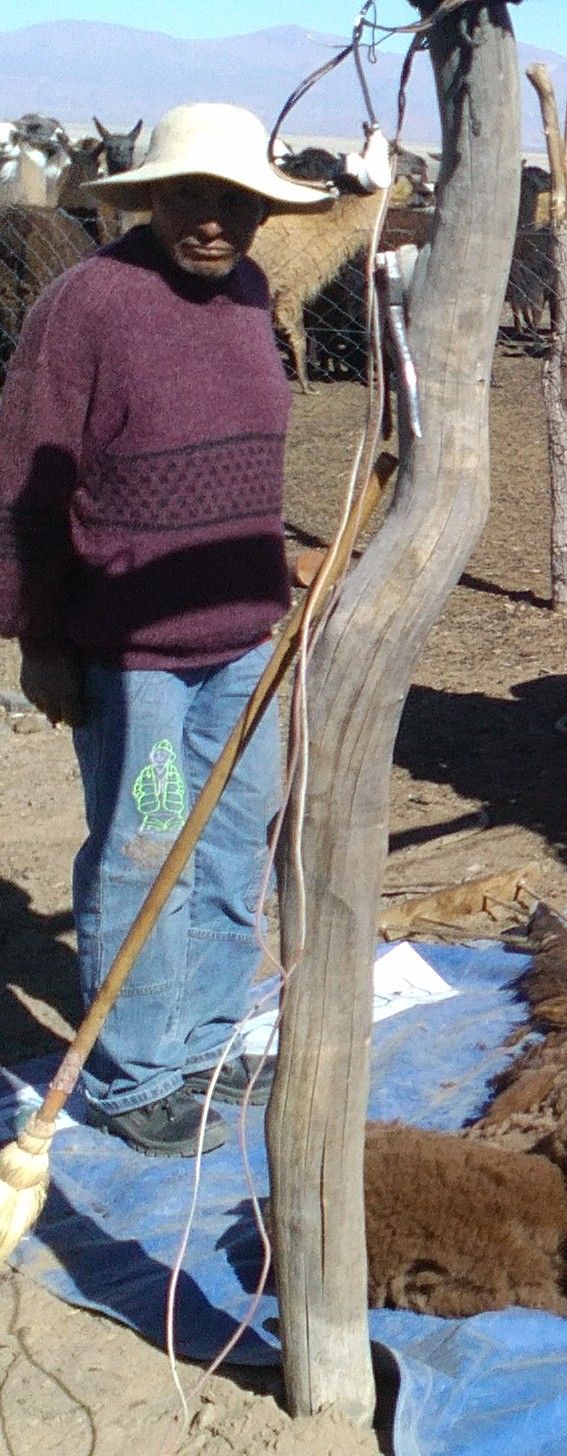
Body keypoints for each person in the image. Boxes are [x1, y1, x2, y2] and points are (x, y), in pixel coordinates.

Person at [0, 103, 333, 1156]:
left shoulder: (247, 295)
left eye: (235, 200)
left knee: (237, 841)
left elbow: (240, 459)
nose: (213, 219)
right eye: (191, 194)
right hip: (140, 662)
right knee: (150, 842)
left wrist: (274, 554)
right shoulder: (90, 305)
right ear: (148, 196)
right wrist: (39, 637)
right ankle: (141, 1069)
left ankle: (207, 1040)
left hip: (243, 646)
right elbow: (24, 478)